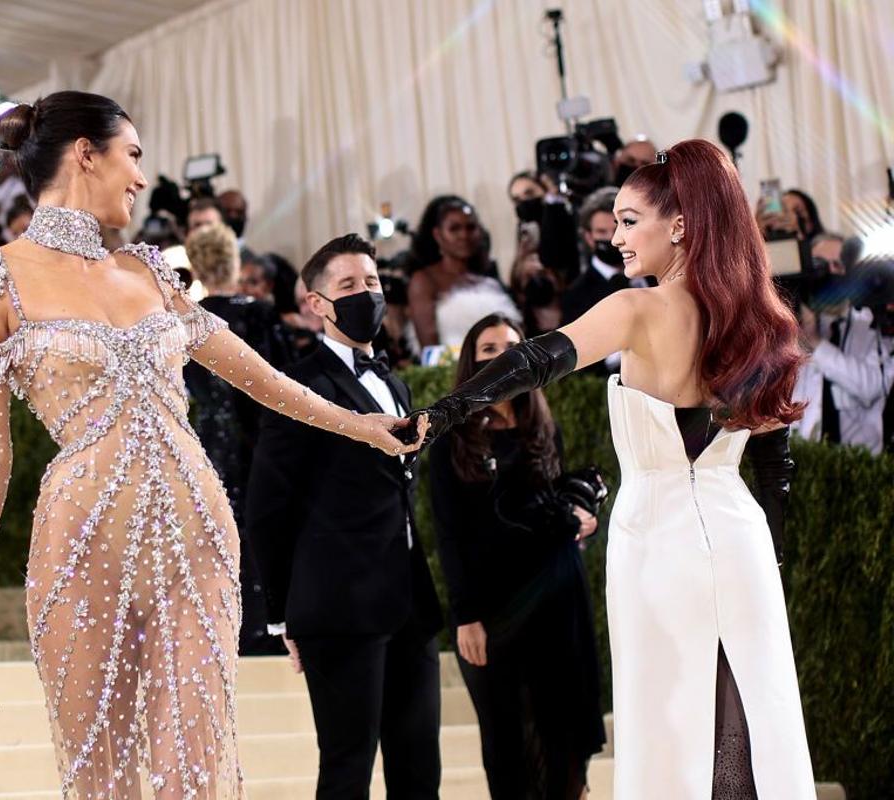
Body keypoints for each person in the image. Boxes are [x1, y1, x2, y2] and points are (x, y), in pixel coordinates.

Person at [0, 91, 420, 799]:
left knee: (193, 770)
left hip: (195, 533)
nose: (140, 177)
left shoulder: (147, 271)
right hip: (80, 545)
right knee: (101, 776)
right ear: (86, 154)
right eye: (132, 155)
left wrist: (360, 424)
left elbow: (260, 378)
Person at [404, 139, 816, 799]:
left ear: (679, 225)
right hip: (742, 544)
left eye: (629, 221)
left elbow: (537, 359)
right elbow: (777, 472)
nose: (618, 238)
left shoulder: (638, 310)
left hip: (660, 542)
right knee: (746, 720)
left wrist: (445, 410)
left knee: (671, 729)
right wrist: (774, 564)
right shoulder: (759, 318)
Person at [246, 233, 442, 799]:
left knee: (419, 769)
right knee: (347, 768)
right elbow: (266, 509)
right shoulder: (295, 388)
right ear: (316, 303)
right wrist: (285, 616)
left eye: (373, 282)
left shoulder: (397, 383)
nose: (367, 294)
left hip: (409, 602)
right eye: (349, 285)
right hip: (337, 606)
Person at [430, 313, 605, 799]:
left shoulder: (542, 427)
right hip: (495, 610)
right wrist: (466, 617)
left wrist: (583, 517)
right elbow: (449, 535)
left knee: (564, 734)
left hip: (558, 600)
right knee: (508, 742)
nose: (503, 356)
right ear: (471, 363)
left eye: (513, 345)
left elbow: (555, 507)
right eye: (489, 349)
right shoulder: (452, 438)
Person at [182, 222, 290, 656]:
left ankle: (223, 626)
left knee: (216, 528)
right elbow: (284, 382)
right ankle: (267, 624)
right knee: (261, 521)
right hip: (261, 435)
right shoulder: (260, 314)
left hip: (209, 438)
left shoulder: (189, 321)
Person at [791, 232, 894, 454]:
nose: (829, 272)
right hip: (806, 467)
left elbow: (871, 387)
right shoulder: (790, 328)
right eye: (819, 264)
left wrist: (817, 344)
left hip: (859, 468)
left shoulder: (873, 325)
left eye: (838, 265)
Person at [407, 195, 519, 349]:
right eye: (454, 228)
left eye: (471, 227)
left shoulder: (490, 282)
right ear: (438, 235)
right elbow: (430, 349)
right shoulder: (424, 280)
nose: (464, 235)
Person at [562, 187, 651, 376]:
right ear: (588, 236)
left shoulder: (657, 275)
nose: (613, 239)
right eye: (602, 232)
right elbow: (579, 366)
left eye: (622, 226)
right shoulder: (575, 296)